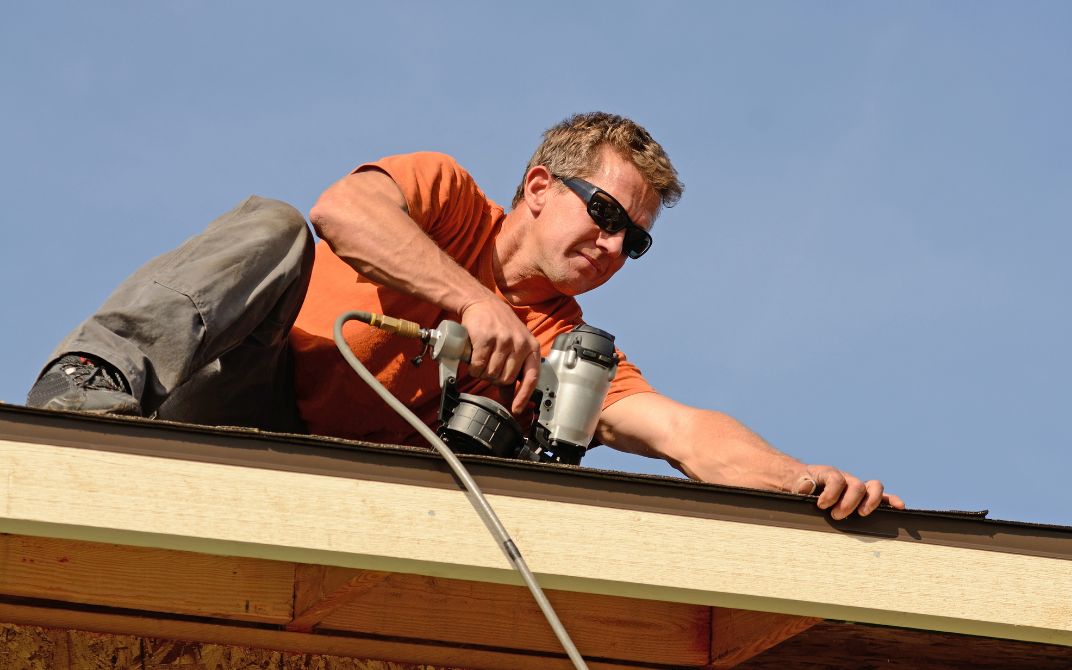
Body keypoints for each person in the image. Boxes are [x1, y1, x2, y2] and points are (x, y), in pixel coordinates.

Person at [26, 112, 905, 519]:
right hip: (244, 392)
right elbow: (343, 212)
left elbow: (681, 433)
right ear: (536, 187)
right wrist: (474, 298)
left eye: (633, 242)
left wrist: (800, 480)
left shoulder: (569, 352)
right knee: (274, 225)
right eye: (604, 212)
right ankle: (88, 386)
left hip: (337, 492)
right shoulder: (446, 199)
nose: (610, 245)